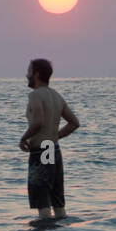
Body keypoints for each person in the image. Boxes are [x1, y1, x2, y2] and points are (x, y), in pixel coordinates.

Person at [18, 58, 80, 220]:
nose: (26, 75)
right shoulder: (56, 96)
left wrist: (23, 139)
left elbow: (38, 122)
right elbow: (74, 123)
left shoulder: (35, 95)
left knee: (42, 201)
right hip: (53, 148)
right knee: (57, 201)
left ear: (36, 74)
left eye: (29, 71)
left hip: (41, 150)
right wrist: (54, 136)